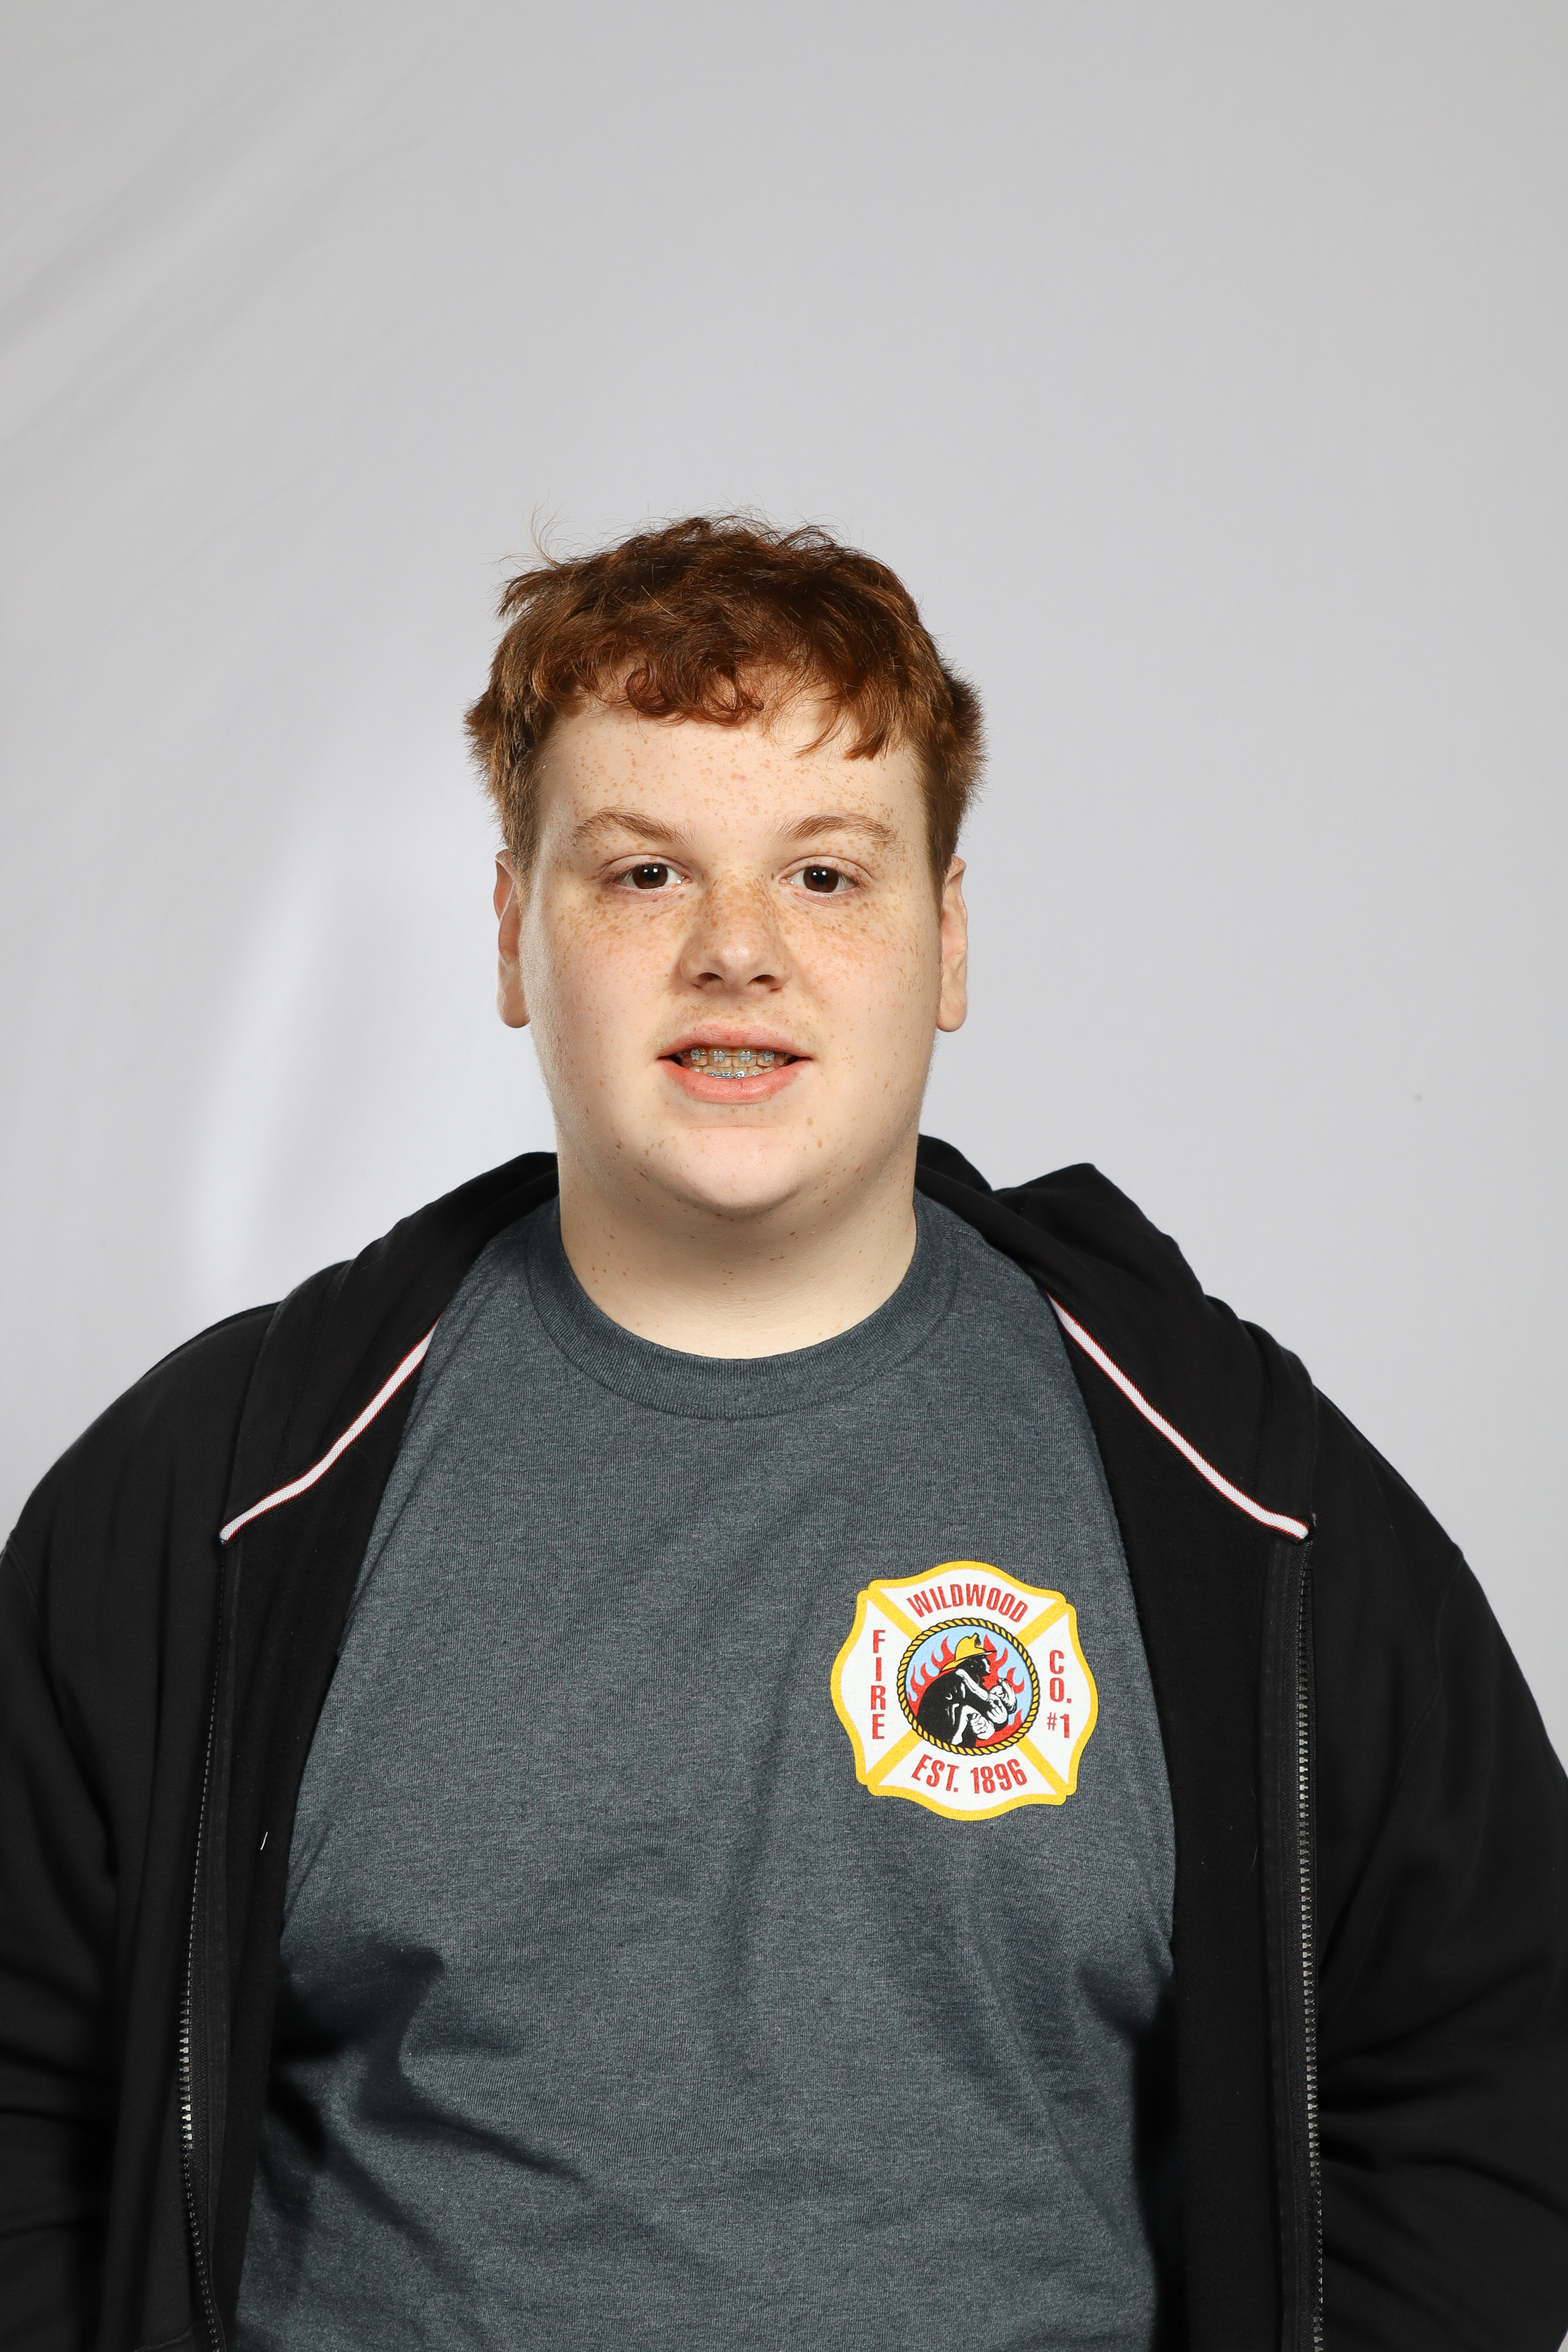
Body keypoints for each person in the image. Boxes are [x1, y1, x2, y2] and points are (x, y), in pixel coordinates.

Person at [2, 516, 1565, 2352]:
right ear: (513, 934)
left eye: (825, 875)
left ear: (946, 939)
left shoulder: (1234, 1495)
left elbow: (1491, 2064)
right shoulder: (225, 1491)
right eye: (643, 873)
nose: (736, 951)